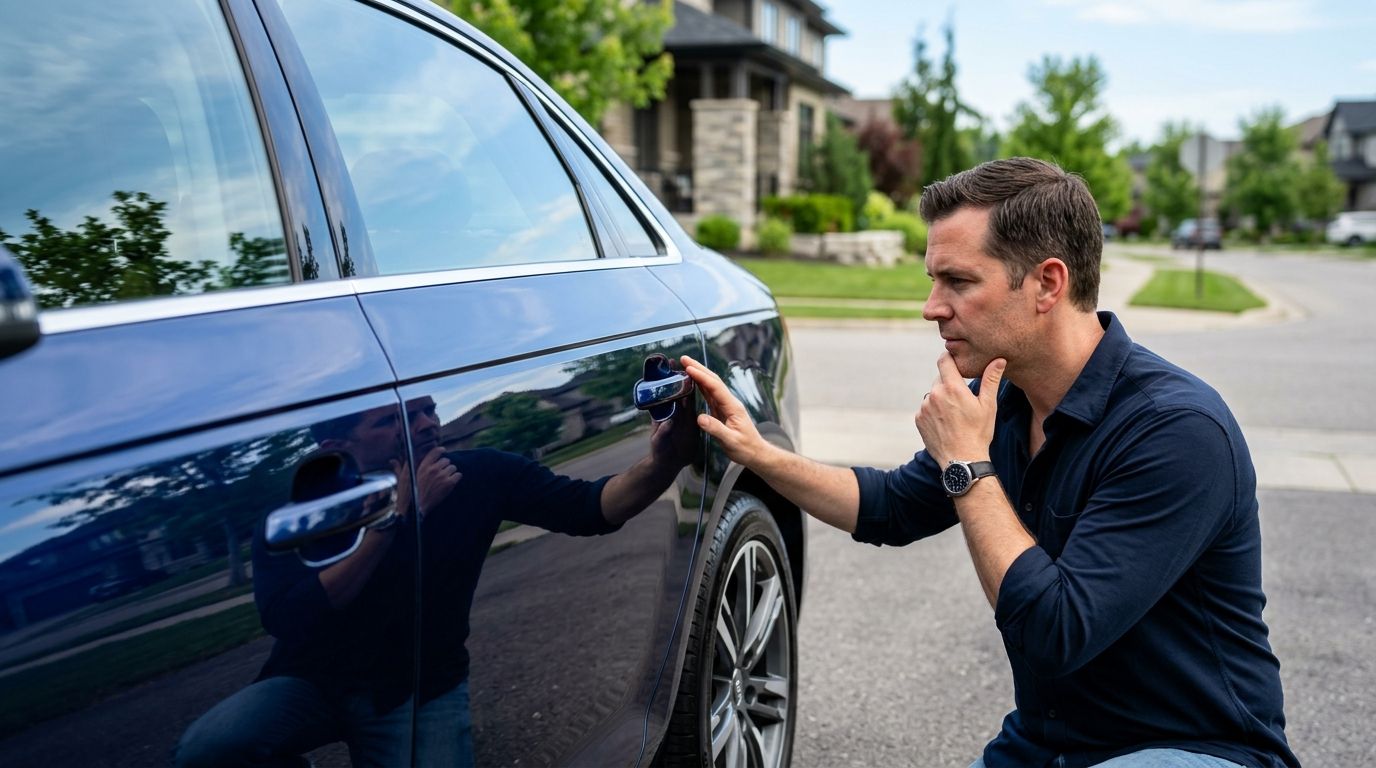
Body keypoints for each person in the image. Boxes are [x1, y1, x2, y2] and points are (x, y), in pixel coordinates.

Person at [681, 158, 1297, 768]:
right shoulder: (1004, 405)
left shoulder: (1176, 430)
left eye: (959, 282)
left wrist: (968, 466)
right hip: (1045, 748)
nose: (932, 307)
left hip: (1192, 752)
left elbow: (1055, 631)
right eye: (932, 280)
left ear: (1047, 285)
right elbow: (891, 506)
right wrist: (759, 454)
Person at [177, 393, 696, 767]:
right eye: (396, 419)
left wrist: (659, 465)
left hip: (421, 686)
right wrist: (402, 518)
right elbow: (291, 617)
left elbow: (589, 508)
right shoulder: (304, 515)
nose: (426, 423)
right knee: (208, 750)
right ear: (340, 447)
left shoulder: (481, 474)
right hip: (313, 681)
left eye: (428, 409)